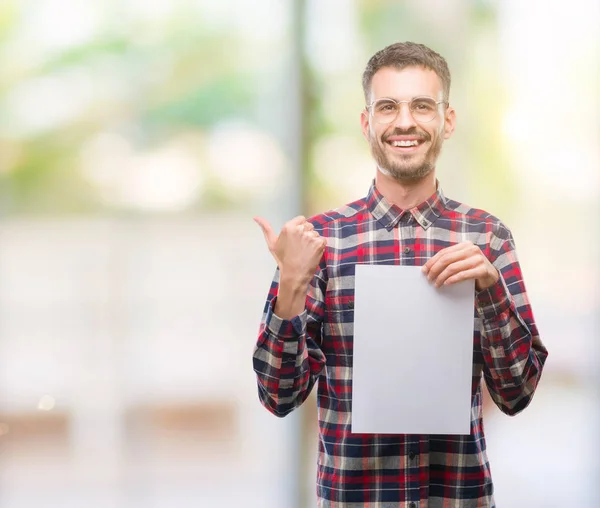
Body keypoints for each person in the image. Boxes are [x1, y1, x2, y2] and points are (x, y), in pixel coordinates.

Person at [252, 41, 548, 508]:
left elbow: (517, 393)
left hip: (457, 498)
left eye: (422, 106)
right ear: (367, 122)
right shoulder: (320, 242)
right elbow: (278, 396)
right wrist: (291, 284)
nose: (405, 121)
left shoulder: (488, 237)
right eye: (388, 106)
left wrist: (490, 290)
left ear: (446, 121)